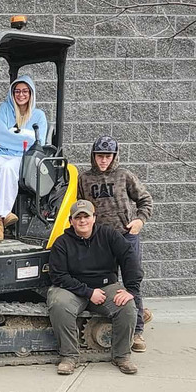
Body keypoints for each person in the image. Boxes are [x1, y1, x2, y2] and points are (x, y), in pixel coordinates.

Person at [47, 199, 143, 376]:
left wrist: (131, 290)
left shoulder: (109, 235)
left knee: (127, 306)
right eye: (78, 217)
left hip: (105, 287)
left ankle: (121, 355)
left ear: (94, 218)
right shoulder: (62, 243)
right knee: (59, 304)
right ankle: (69, 356)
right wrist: (88, 292)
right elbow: (58, 276)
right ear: (71, 221)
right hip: (72, 290)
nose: (82, 221)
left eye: (86, 216)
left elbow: (129, 258)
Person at [77, 136, 153, 352]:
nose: (103, 160)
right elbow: (80, 206)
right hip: (100, 240)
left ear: (114, 156)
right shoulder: (84, 179)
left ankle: (137, 330)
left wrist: (140, 220)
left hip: (125, 236)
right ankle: (116, 317)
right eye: (99, 156)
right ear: (93, 156)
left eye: (108, 156)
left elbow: (145, 199)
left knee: (131, 281)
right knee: (106, 282)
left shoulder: (124, 175)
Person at [0, 74, 48, 242]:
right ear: (12, 93)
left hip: (26, 156)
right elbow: (0, 136)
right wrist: (24, 136)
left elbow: (38, 141)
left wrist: (12, 134)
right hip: (3, 152)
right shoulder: (4, 110)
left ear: (31, 93)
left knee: (8, 168)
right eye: (17, 91)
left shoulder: (39, 115)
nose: (21, 94)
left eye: (25, 91)